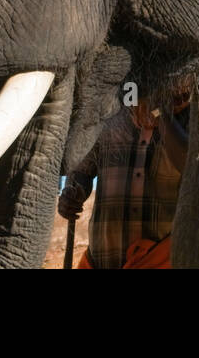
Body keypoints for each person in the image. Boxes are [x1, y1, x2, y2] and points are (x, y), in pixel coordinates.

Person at [58, 85, 190, 269]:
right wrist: (73, 192)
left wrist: (160, 113)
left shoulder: (190, 115)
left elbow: (190, 166)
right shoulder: (110, 111)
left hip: (163, 260)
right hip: (100, 260)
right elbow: (82, 169)